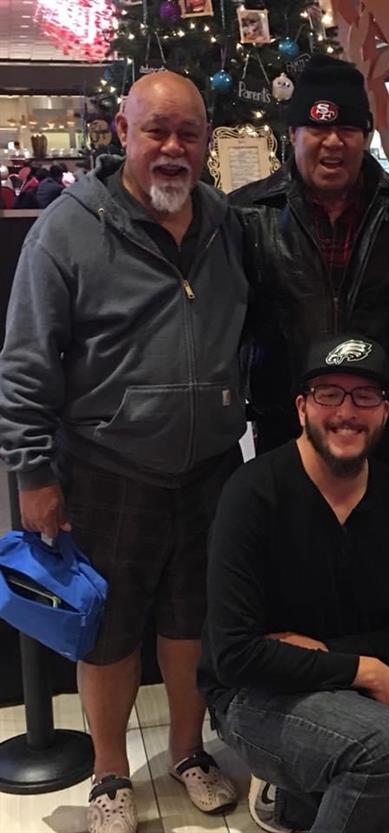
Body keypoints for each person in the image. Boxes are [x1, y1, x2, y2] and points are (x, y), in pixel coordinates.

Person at [0, 71, 248, 833]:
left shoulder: (224, 222)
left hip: (210, 468)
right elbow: (25, 363)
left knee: (190, 622)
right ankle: (109, 772)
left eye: (188, 133)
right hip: (107, 469)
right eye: (156, 131)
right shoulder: (68, 228)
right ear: (123, 134)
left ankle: (187, 751)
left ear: (206, 142)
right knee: (107, 633)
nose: (172, 148)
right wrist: (33, 474)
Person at [198, 334, 389, 833]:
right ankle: (300, 787)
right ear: (302, 407)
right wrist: (365, 667)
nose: (347, 412)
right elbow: (234, 655)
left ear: (385, 413)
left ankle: (299, 802)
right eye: (329, 394)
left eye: (365, 396)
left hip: (352, 695)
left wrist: (334, 658)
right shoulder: (252, 494)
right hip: (254, 696)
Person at [231, 54, 389, 482]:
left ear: (365, 135)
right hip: (286, 430)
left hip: (383, 432)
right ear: (293, 134)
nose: (333, 141)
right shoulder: (246, 215)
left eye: (347, 128)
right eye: (317, 128)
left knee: (385, 527)